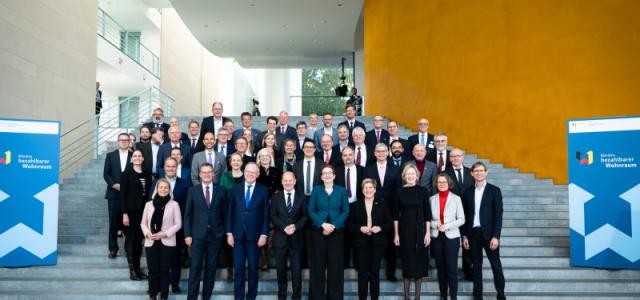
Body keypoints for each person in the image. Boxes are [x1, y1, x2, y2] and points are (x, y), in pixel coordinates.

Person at [462, 162, 506, 300]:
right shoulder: (467, 192)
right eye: (476, 171)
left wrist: (496, 236)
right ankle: (477, 295)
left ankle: (501, 294)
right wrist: (464, 236)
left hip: (489, 235)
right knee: (476, 266)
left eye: (481, 170)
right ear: (472, 173)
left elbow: (498, 215)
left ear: (486, 173)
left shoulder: (495, 190)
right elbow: (464, 215)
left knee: (496, 265)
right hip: (473, 234)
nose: (479, 173)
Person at [226, 162, 270, 300]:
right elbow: (230, 212)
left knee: (252, 270)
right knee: (238, 270)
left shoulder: (263, 190)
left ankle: (251, 297)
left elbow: (265, 215)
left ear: (257, 174)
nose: (250, 174)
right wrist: (229, 233)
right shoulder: (235, 189)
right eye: (248, 172)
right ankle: (238, 297)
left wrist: (264, 234)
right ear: (244, 173)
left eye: (253, 172)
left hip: (255, 237)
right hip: (237, 236)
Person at [183, 163, 227, 300]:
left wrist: (224, 232)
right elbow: (188, 215)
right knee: (195, 267)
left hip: (216, 235)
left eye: (209, 172)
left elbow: (225, 214)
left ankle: (206, 296)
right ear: (200, 174)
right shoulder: (192, 190)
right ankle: (192, 297)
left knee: (211, 267)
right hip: (197, 235)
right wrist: (187, 234)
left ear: (213, 174)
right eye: (204, 172)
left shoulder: (221, 190)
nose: (207, 175)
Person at [307, 165, 349, 300]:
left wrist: (333, 226)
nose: (327, 175)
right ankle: (317, 297)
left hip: (337, 233)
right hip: (318, 232)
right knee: (317, 266)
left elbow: (346, 211)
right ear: (321, 177)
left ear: (334, 176)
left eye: (329, 173)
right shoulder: (316, 190)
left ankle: (335, 297)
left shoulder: (342, 190)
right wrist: (322, 224)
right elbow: (311, 210)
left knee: (335, 267)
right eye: (324, 173)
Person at [348, 179, 392, 300]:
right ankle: (362, 298)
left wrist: (380, 228)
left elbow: (389, 224)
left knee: (374, 272)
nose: (368, 190)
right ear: (362, 190)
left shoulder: (382, 204)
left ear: (375, 189)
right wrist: (359, 228)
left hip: (377, 242)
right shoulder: (356, 205)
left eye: (370, 187)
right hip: (361, 242)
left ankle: (374, 297)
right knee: (362, 273)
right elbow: (350, 225)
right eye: (365, 188)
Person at [393, 164, 432, 300]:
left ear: (417, 176)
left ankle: (417, 297)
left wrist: (427, 233)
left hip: (420, 231)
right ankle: (406, 297)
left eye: (412, 174)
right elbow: (395, 216)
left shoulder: (423, 191)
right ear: (404, 176)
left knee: (420, 263)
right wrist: (396, 234)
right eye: (407, 174)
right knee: (407, 263)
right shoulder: (398, 192)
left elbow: (428, 215)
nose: (410, 176)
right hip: (404, 231)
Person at [152, 157, 190, 293]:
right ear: (164, 168)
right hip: (157, 229)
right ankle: (157, 285)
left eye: (173, 166)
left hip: (176, 228)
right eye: (168, 166)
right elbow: (151, 203)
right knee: (158, 259)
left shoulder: (185, 184)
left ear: (177, 167)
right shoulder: (157, 182)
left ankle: (174, 284)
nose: (170, 169)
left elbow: (187, 206)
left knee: (175, 258)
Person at [141, 179, 182, 300]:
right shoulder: (148, 204)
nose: (163, 189)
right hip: (151, 241)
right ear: (156, 189)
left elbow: (178, 224)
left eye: (166, 187)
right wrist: (147, 233)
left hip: (167, 241)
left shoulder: (174, 204)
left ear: (169, 190)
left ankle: (164, 296)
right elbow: (143, 223)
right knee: (153, 270)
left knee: (165, 271)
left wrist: (164, 234)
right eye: (161, 187)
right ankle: (153, 294)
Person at [364, 143, 401, 281]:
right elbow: (365, 189)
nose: (381, 153)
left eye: (384, 151)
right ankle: (370, 271)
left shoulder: (396, 169)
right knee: (372, 240)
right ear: (374, 153)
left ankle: (390, 273)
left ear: (388, 152)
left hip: (391, 208)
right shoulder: (368, 169)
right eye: (378, 151)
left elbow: (398, 189)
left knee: (391, 243)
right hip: (373, 208)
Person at [270, 172, 308, 300]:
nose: (287, 183)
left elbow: (305, 216)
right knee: (281, 270)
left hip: (296, 239)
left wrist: (295, 227)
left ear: (295, 181)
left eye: (290, 180)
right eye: (285, 180)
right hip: (280, 239)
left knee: (296, 271)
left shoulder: (302, 197)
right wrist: (284, 227)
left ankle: (296, 296)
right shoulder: (276, 197)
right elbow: (273, 216)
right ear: (281, 182)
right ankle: (282, 295)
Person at [429, 174, 465, 300]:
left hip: (452, 238)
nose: (442, 184)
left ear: (449, 183)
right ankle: (443, 295)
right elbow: (428, 219)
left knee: (451, 269)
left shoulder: (456, 199)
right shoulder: (432, 199)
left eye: (444, 182)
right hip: (437, 237)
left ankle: (453, 296)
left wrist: (447, 226)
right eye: (439, 182)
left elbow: (462, 219)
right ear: (436, 184)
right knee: (441, 269)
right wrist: (435, 225)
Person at [119, 149, 152, 280]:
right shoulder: (126, 174)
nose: (137, 158)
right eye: (135, 156)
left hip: (144, 213)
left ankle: (138, 269)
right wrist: (124, 214)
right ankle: (132, 270)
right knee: (131, 241)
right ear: (131, 159)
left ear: (143, 158)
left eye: (140, 156)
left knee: (139, 241)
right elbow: (122, 196)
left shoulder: (147, 173)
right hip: (131, 213)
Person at [445, 148, 474, 280]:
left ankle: (468, 271)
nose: (456, 158)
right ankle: (450, 270)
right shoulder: (445, 173)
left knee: (468, 242)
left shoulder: (471, 172)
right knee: (451, 242)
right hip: (451, 214)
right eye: (453, 156)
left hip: (469, 212)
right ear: (449, 159)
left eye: (458, 156)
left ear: (463, 157)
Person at [103, 133, 131, 258]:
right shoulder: (110, 155)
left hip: (129, 195)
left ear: (130, 141)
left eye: (126, 140)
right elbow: (106, 174)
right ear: (118, 141)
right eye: (121, 140)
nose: (124, 142)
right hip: (114, 194)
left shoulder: (134, 156)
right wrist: (114, 184)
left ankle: (128, 248)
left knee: (128, 223)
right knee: (113, 222)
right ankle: (113, 249)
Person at [335, 146, 363, 268]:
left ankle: (357, 263)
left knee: (358, 236)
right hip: (341, 208)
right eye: (345, 155)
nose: (347, 157)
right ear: (342, 157)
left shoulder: (362, 170)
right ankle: (344, 263)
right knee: (343, 236)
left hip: (357, 207)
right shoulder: (337, 171)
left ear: (354, 156)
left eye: (350, 154)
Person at [218, 153, 244, 282]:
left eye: (238, 160)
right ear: (230, 162)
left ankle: (241, 269)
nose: (235, 162)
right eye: (233, 160)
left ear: (242, 162)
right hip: (228, 214)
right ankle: (230, 270)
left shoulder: (246, 176)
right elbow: (221, 194)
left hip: (243, 215)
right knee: (228, 244)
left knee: (242, 243)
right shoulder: (225, 176)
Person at [256, 148, 281, 270]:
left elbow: (279, 188)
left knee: (273, 230)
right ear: (259, 158)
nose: (265, 157)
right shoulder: (256, 171)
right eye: (262, 156)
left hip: (274, 203)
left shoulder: (276, 170)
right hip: (259, 204)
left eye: (267, 155)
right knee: (262, 230)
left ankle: (274, 258)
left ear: (270, 158)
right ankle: (264, 259)